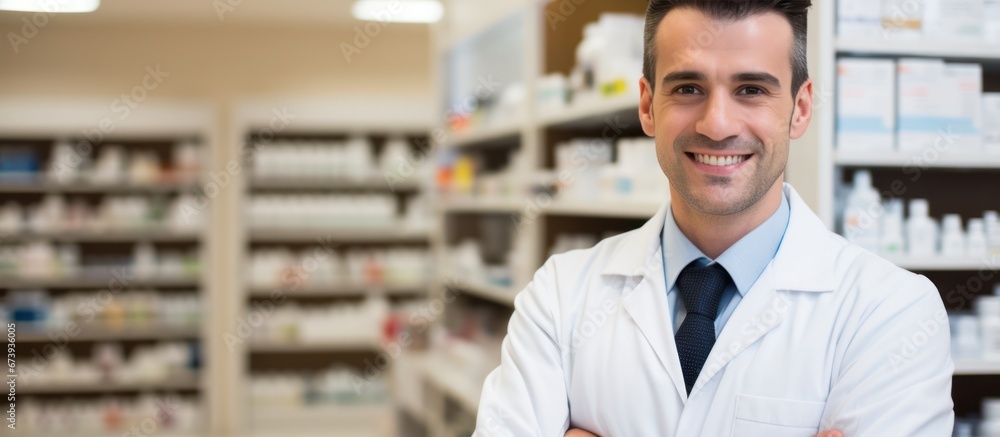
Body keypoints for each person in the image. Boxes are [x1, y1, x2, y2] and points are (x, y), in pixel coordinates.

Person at [473, 0, 955, 436]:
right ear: (647, 106)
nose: (717, 124)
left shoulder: (890, 313)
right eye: (688, 88)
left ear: (801, 108)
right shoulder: (560, 297)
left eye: (750, 89)